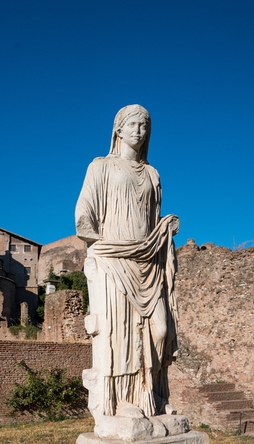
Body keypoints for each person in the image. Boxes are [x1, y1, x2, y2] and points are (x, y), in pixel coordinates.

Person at [76, 104, 179, 425]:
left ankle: (153, 396)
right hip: (112, 260)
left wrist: (164, 229)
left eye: (145, 126)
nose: (140, 131)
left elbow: (151, 219)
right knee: (118, 333)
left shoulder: (152, 174)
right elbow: (84, 217)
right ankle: (122, 402)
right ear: (118, 129)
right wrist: (102, 249)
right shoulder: (100, 167)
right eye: (134, 124)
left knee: (160, 330)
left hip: (147, 261)